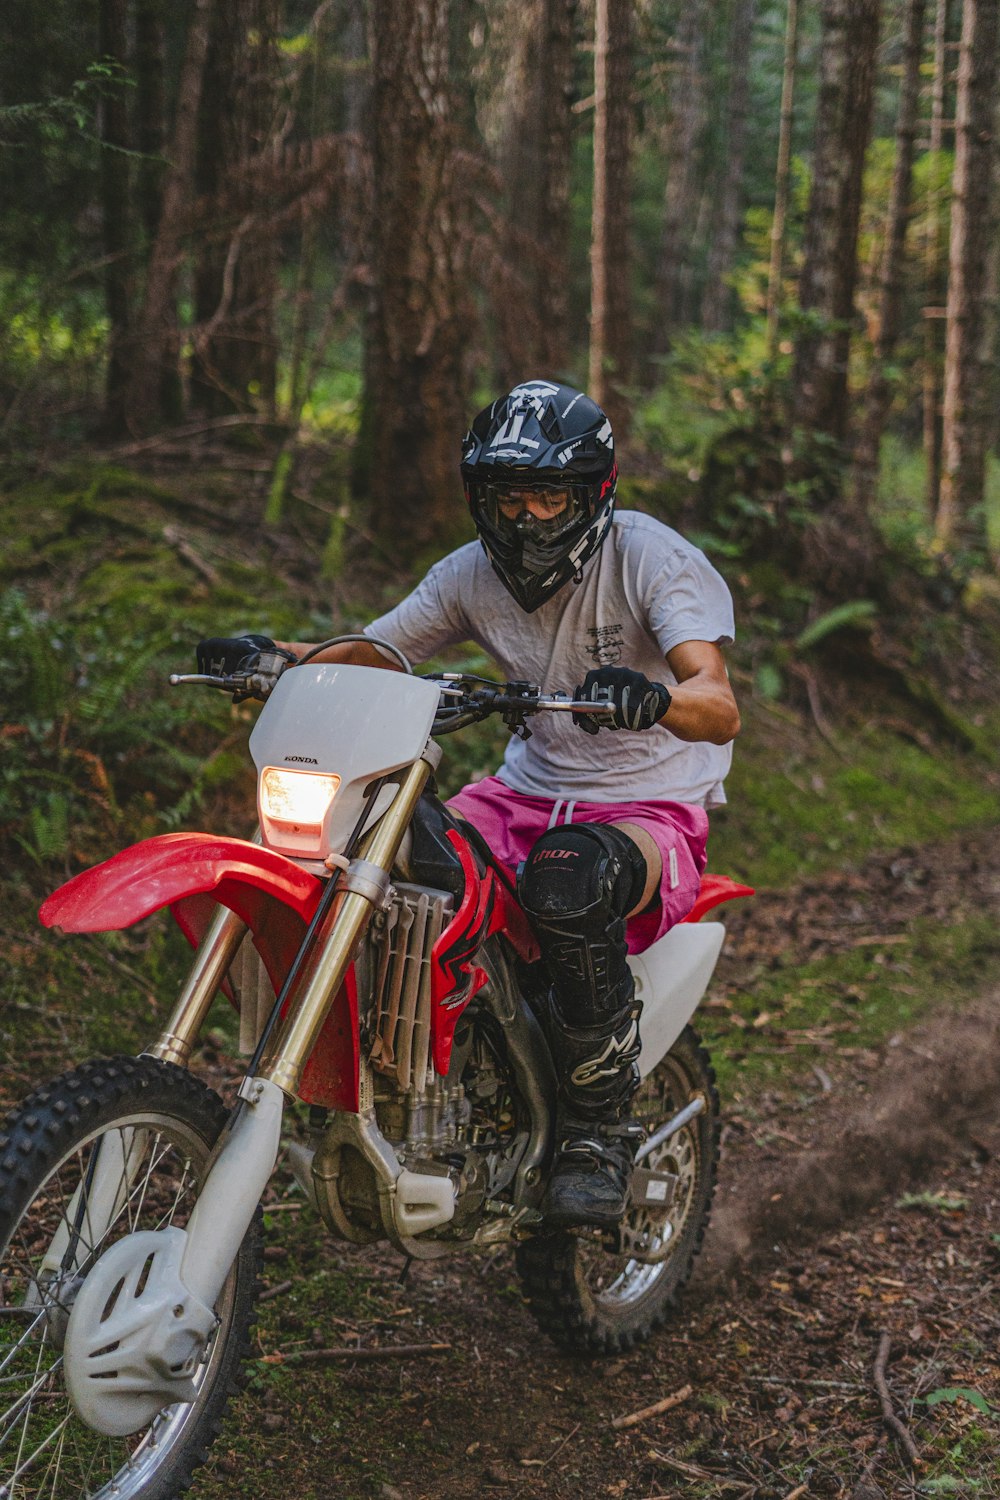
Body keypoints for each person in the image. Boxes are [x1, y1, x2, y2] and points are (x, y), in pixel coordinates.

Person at [200, 379, 739, 1229]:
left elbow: (717, 699)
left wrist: (653, 695)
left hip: (647, 805)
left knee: (565, 882)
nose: (524, 517)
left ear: (591, 493)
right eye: (505, 496)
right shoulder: (468, 574)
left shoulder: (651, 559)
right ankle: (436, 1059)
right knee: (388, 838)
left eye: (546, 494)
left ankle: (598, 1127)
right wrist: (273, 656)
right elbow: (373, 652)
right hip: (524, 793)